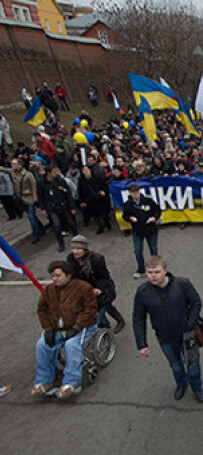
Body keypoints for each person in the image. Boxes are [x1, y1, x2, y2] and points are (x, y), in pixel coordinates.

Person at [132, 255, 203, 403]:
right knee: (176, 365)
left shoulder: (182, 284)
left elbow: (196, 303)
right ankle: (181, 384)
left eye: (157, 272)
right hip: (164, 337)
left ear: (165, 271)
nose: (153, 276)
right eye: (149, 272)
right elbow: (138, 318)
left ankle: (197, 387)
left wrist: (190, 323)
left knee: (193, 365)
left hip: (187, 334)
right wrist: (142, 344)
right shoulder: (142, 292)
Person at [32, 261, 97, 400]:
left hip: (81, 328)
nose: (54, 279)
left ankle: (71, 382)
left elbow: (89, 310)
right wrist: (48, 329)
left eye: (58, 275)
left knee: (71, 345)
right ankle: (44, 381)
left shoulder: (83, 288)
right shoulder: (49, 290)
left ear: (68, 275)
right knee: (41, 345)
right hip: (57, 329)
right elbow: (42, 310)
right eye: (52, 276)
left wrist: (77, 327)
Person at [67, 235, 125, 333]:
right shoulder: (71, 258)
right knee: (104, 307)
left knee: (100, 311)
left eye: (78, 248)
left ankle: (107, 328)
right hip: (86, 290)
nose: (75, 251)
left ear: (85, 249)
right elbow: (72, 275)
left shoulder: (97, 259)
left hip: (103, 289)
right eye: (73, 248)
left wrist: (98, 289)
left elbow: (104, 277)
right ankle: (114, 324)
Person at [122, 183, 161, 278]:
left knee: (153, 249)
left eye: (137, 191)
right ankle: (141, 269)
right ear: (130, 193)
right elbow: (125, 216)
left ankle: (155, 268)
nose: (136, 193)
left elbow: (157, 210)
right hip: (137, 230)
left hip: (150, 229)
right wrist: (130, 218)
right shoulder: (128, 205)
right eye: (134, 192)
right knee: (137, 250)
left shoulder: (148, 200)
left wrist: (154, 218)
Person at [0, 158, 44, 241]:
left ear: (19, 165)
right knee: (32, 216)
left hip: (29, 198)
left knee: (31, 217)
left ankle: (36, 235)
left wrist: (35, 199)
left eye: (13, 164)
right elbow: (3, 169)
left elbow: (33, 187)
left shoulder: (28, 175)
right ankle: (41, 228)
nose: (12, 165)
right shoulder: (12, 172)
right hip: (20, 199)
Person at [39, 165, 78, 252]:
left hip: (63, 205)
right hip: (52, 207)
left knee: (71, 222)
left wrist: (72, 206)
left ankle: (77, 238)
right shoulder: (42, 182)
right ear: (48, 173)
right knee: (57, 225)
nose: (56, 173)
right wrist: (43, 208)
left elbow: (68, 193)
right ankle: (61, 243)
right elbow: (41, 196)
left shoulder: (60, 180)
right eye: (54, 172)